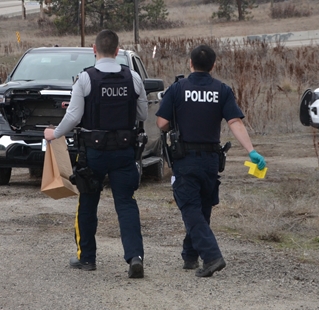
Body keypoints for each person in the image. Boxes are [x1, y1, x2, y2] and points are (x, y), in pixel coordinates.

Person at [44, 29, 147, 278]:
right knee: (126, 203)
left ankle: (87, 258)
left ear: (94, 49)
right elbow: (142, 115)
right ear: (117, 50)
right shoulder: (132, 78)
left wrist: (54, 134)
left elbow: (74, 116)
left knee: (88, 203)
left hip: (93, 153)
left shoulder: (85, 79)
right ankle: (135, 256)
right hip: (124, 152)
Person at [156, 44, 265, 277]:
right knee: (202, 208)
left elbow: (162, 124)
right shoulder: (222, 90)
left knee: (190, 209)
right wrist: (251, 150)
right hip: (211, 160)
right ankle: (190, 256)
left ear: (190, 63)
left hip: (185, 159)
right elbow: (235, 122)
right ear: (213, 65)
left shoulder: (177, 89)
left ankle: (212, 256)